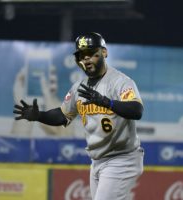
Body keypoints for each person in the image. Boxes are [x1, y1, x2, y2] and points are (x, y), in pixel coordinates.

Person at [13, 32, 144, 200]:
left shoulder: (120, 82)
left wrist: (107, 102)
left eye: (91, 53)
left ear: (104, 52)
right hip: (97, 161)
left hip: (122, 158)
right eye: (82, 55)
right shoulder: (79, 88)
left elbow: (137, 110)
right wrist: (39, 115)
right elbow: (62, 115)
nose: (86, 59)